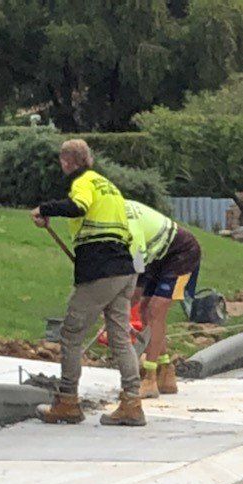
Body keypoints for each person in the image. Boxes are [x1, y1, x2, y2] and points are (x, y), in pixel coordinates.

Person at [31, 139, 145, 426]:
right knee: (120, 338)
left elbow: (78, 207)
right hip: (125, 270)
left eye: (62, 161)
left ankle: (67, 401)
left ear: (68, 162)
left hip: (100, 271)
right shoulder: (108, 186)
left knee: (71, 334)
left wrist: (44, 209)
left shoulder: (82, 182)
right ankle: (132, 401)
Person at [125, 199, 202, 399]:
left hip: (181, 253)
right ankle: (166, 371)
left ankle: (150, 378)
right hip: (155, 256)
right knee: (143, 309)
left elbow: (137, 258)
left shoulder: (126, 217)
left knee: (156, 310)